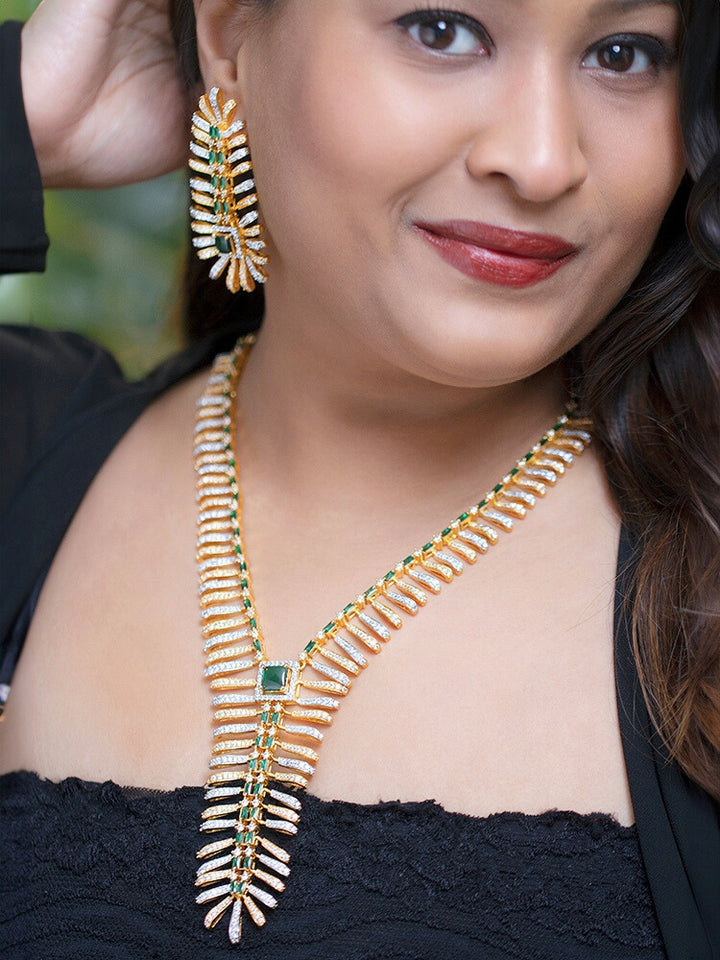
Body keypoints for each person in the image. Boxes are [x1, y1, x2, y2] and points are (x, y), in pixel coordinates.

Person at [0, 0, 719, 957]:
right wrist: (24, 115)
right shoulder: (27, 446)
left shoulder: (698, 573)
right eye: (444, 31)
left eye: (625, 54)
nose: (544, 158)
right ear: (229, 35)